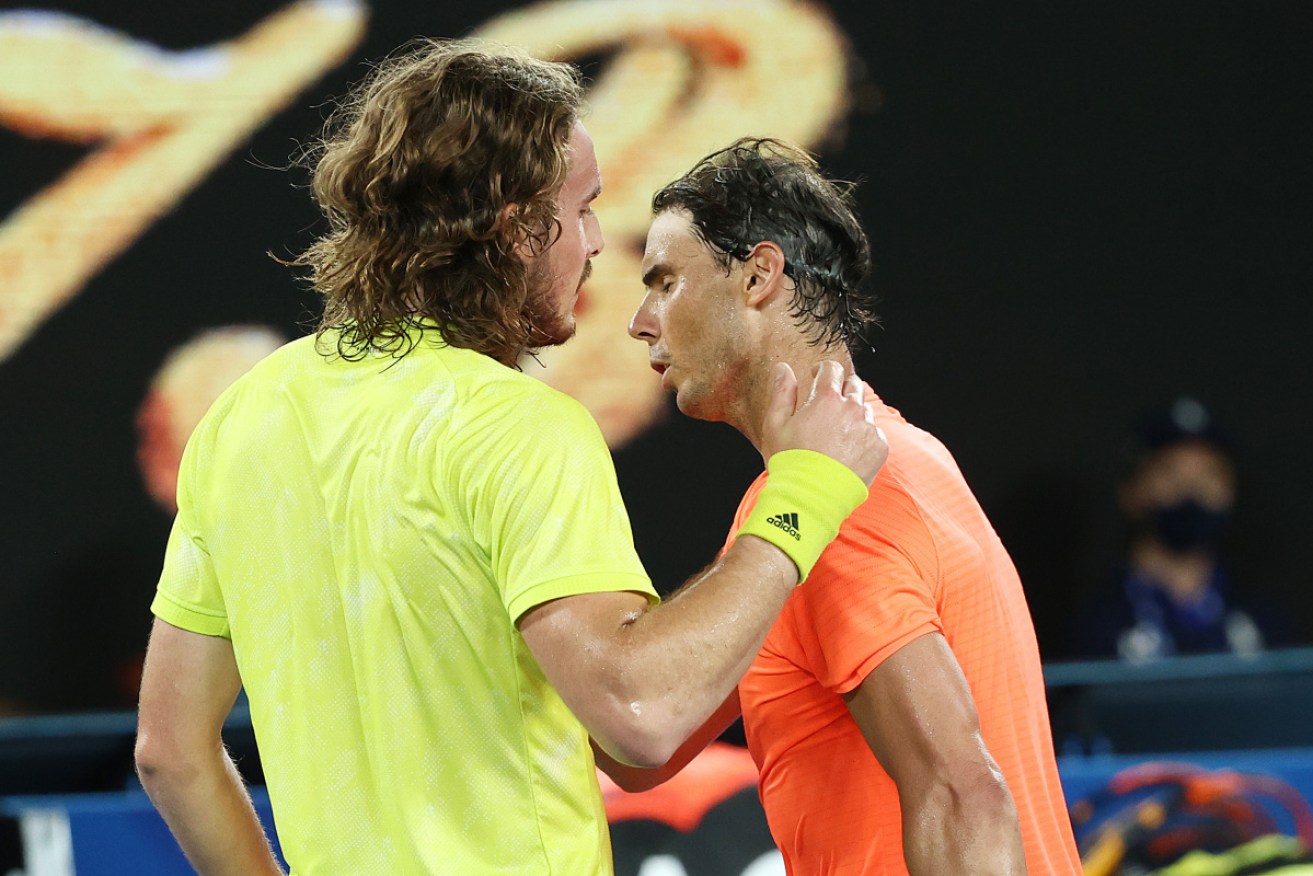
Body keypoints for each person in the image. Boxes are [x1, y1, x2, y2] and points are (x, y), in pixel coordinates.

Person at [132, 43, 887, 876]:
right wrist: (806, 493)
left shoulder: (245, 412)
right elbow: (640, 714)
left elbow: (169, 752)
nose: (598, 243)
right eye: (584, 209)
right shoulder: (517, 426)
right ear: (515, 226)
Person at [620, 138, 1082, 875]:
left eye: (665, 282)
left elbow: (964, 796)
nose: (640, 320)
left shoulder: (845, 504)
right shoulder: (849, 482)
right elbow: (645, 739)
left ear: (758, 277)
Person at [1072, 397, 1294, 661]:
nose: (1191, 491)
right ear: (1131, 491)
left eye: (1209, 475)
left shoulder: (1262, 619)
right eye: (1170, 473)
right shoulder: (1097, 623)